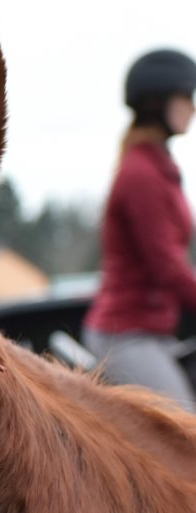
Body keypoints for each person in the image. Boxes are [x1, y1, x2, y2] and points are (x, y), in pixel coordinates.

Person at [82, 48, 196, 411]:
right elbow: (166, 266)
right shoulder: (142, 174)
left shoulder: (159, 166)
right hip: (127, 336)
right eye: (186, 98)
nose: (192, 108)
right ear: (157, 103)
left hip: (153, 332)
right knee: (187, 433)